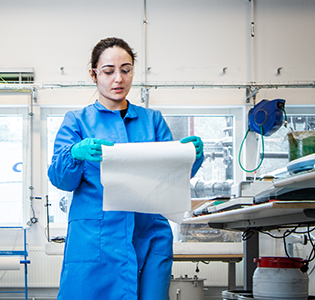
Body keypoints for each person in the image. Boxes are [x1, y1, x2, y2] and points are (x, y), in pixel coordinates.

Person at [47, 37, 204, 300]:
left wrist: (191, 156)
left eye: (126, 70)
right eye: (108, 71)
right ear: (93, 74)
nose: (118, 79)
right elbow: (61, 179)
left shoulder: (152, 120)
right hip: (96, 239)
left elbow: (175, 177)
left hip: (149, 236)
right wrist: (75, 154)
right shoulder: (76, 121)